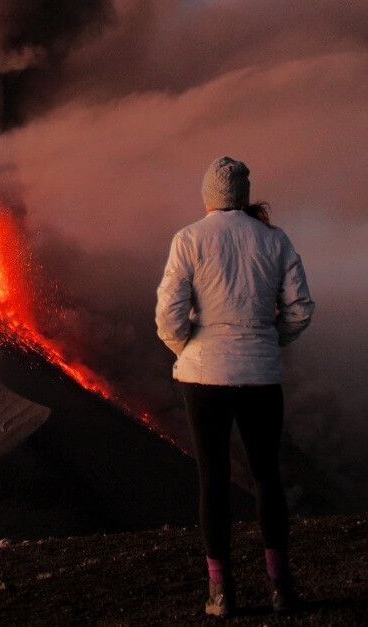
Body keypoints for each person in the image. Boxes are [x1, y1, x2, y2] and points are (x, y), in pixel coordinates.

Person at [155, 156, 314, 618]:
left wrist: (187, 349)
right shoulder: (275, 240)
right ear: (243, 197)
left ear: (209, 197)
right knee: (268, 478)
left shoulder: (189, 239)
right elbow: (300, 308)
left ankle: (221, 595)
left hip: (205, 378)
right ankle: (281, 588)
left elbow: (168, 315)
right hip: (262, 376)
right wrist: (268, 342)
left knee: (214, 480)